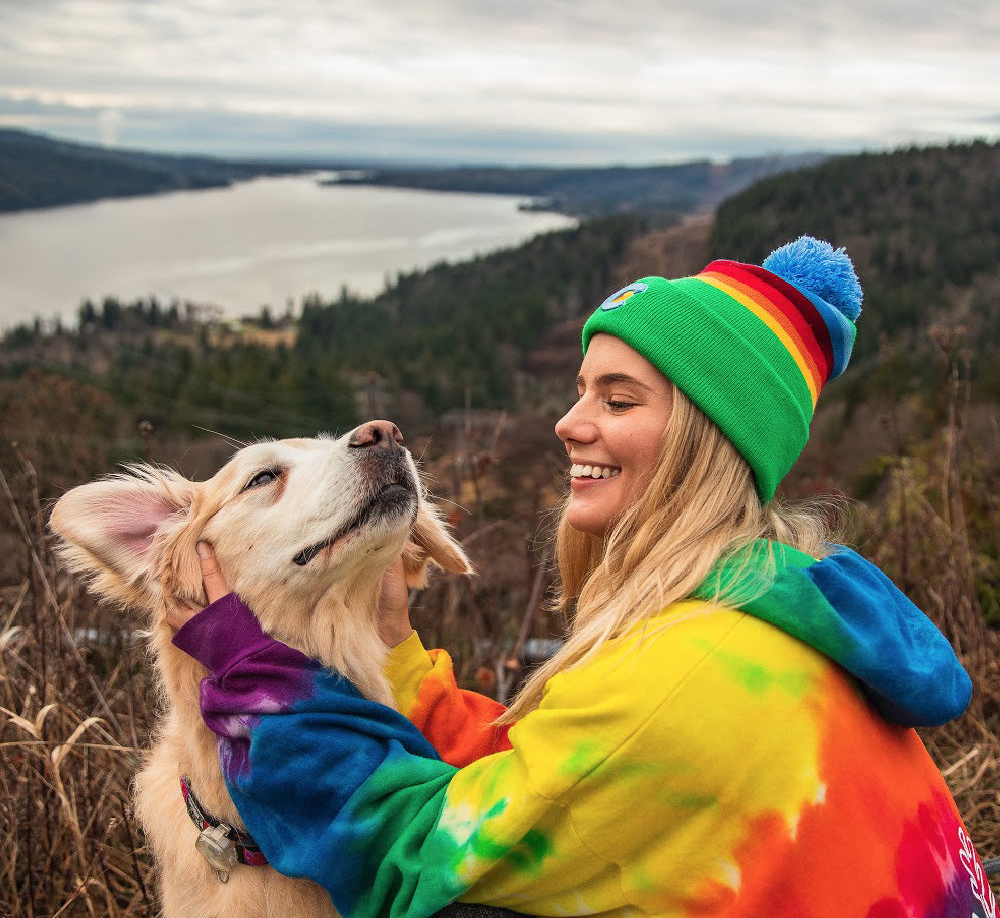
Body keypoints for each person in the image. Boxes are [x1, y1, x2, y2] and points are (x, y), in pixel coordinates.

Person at [169, 237, 997, 918]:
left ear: (704, 442)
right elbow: (553, 774)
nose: (571, 422)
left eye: (620, 399)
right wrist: (399, 654)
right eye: (580, 392)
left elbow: (408, 858)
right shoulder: (767, 601)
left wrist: (259, 679)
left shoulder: (685, 675)